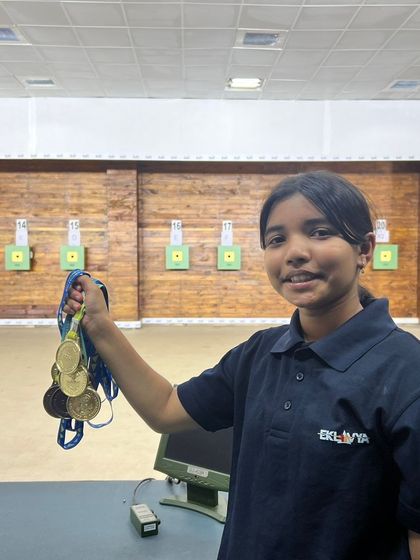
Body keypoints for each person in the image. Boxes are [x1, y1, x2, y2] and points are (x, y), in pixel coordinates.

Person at [64, 170, 420, 560]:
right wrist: (99, 325)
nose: (295, 252)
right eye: (276, 239)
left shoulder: (407, 372)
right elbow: (165, 408)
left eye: (319, 232)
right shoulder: (259, 354)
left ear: (365, 249)